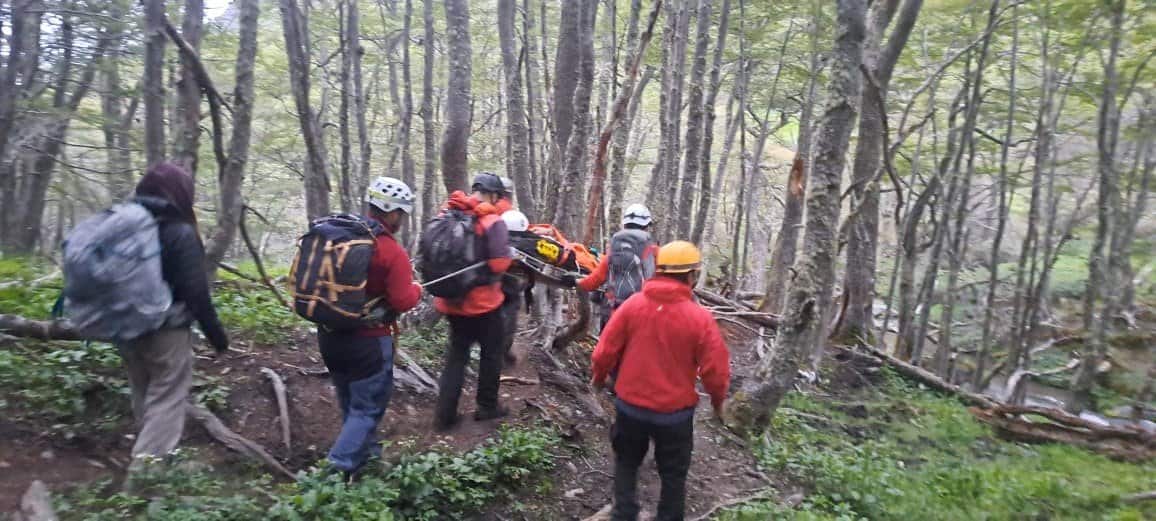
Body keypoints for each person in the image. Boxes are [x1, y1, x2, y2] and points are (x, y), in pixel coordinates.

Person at [590, 240, 731, 521]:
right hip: (674, 415)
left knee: (627, 463)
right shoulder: (700, 318)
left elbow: (604, 352)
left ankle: (624, 513)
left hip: (630, 407)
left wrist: (598, 379)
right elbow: (716, 371)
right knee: (673, 475)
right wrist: (718, 404)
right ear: (691, 276)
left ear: (659, 270)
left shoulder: (632, 306)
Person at [123, 162, 230, 464]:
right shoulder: (179, 231)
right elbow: (196, 292)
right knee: (168, 396)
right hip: (166, 330)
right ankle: (147, 473)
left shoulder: (126, 226)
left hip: (125, 325)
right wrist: (217, 336)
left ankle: (149, 453)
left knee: (143, 389)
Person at [318, 177, 422, 476]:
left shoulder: (339, 237)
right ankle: (333, 474)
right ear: (392, 212)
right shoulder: (389, 250)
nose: (402, 219)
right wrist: (416, 290)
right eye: (401, 213)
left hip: (329, 336)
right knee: (368, 408)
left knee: (350, 401)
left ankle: (367, 460)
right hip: (369, 342)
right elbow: (402, 300)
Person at [433, 172, 513, 431]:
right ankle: (487, 406)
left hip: (451, 301)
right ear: (494, 195)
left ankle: (445, 414)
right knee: (491, 353)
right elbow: (499, 264)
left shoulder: (446, 214)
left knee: (457, 355)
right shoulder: (491, 221)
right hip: (483, 303)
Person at [562, 204, 659, 330]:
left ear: (625, 224)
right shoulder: (655, 252)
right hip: (641, 317)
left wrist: (575, 281)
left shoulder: (615, 249)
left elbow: (595, 280)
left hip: (613, 316)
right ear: (647, 226)